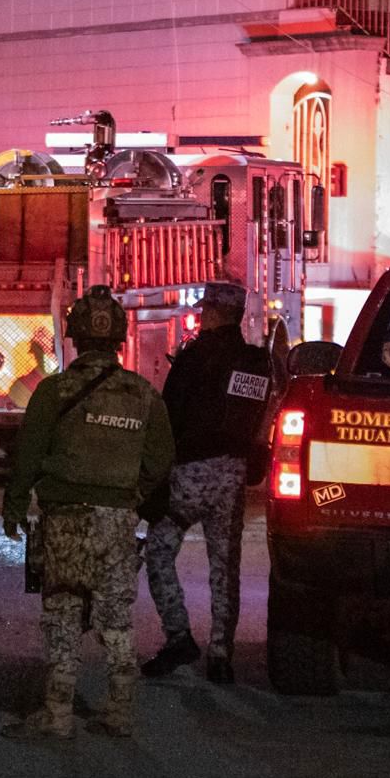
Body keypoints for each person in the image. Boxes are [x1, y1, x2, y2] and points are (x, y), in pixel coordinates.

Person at [1, 285, 174, 739]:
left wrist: (14, 505)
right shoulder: (143, 394)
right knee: (116, 616)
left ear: (74, 337)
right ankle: (120, 710)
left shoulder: (55, 391)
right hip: (118, 520)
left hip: (65, 519)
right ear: (119, 338)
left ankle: (57, 713)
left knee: (63, 610)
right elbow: (160, 460)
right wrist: (130, 495)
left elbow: (28, 453)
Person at [142, 282, 274, 685]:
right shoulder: (257, 362)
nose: (201, 316)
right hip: (232, 476)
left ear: (215, 313)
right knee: (225, 567)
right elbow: (264, 416)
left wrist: (154, 478)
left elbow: (168, 419)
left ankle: (179, 637)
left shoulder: (194, 357)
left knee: (158, 551)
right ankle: (220, 655)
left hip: (189, 473)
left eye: (205, 310)